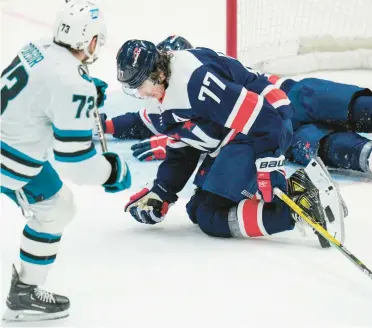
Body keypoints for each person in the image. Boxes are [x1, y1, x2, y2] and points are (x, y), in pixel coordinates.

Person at [115, 38, 346, 250]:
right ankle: (302, 188)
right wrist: (162, 191)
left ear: (158, 73)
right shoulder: (162, 97)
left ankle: (304, 210)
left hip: (262, 127)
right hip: (237, 133)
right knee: (196, 209)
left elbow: (263, 118)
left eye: (140, 84)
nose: (139, 92)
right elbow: (183, 149)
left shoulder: (195, 83)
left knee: (211, 216)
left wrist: (268, 163)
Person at [101, 36, 372, 178]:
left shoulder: (198, 74)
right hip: (272, 128)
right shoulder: (173, 98)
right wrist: (106, 125)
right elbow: (143, 121)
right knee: (318, 142)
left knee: (324, 101)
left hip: (283, 97)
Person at [1, 1, 131, 322]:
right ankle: (24, 296)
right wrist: (112, 171)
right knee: (54, 209)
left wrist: (83, 96)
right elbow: (75, 162)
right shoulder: (72, 82)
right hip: (10, 158)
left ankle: (25, 289)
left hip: (10, 142)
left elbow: (42, 91)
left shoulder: (39, 45)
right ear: (90, 39)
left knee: (60, 205)